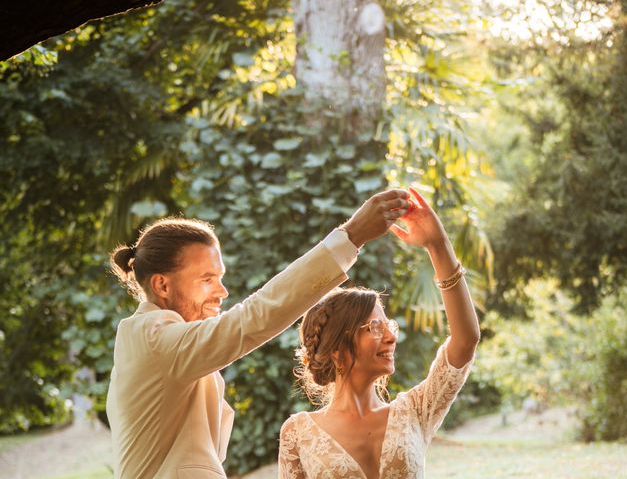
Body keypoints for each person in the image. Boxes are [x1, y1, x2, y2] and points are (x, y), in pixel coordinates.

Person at [106, 188, 410, 479]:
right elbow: (253, 317)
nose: (222, 292)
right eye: (207, 279)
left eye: (220, 278)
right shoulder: (153, 339)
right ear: (162, 285)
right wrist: (351, 236)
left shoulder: (164, 345)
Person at [278, 186, 481, 479]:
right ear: (337, 347)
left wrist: (438, 245)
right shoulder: (298, 433)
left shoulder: (414, 411)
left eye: (389, 326)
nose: (390, 336)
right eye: (375, 327)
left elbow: (465, 341)